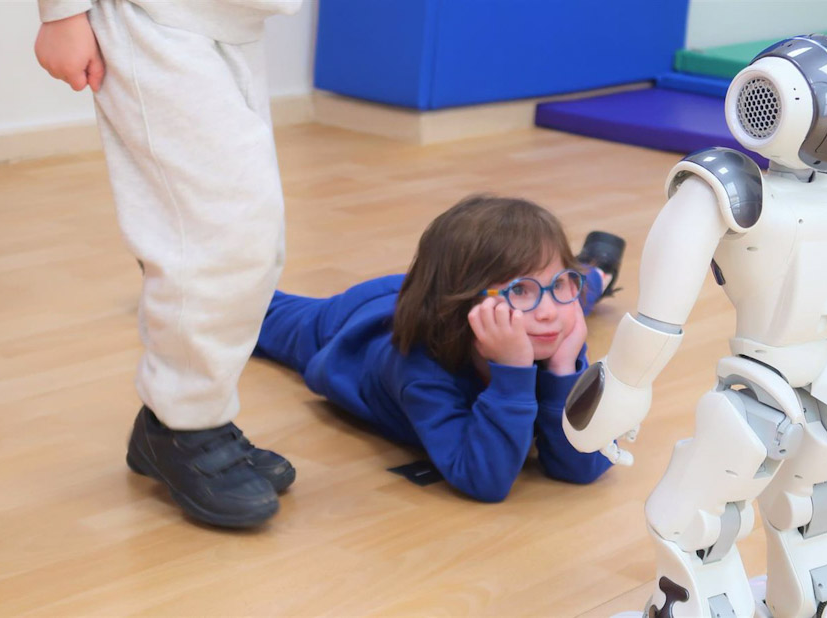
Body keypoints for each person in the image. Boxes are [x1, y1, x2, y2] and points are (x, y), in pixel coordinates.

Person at [34, 0, 302, 528]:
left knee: (254, 235)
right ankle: (184, 425)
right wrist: (60, 12)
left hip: (235, 18)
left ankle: (182, 414)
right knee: (214, 233)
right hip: (153, 17)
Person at [252, 195, 627, 502]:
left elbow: (582, 468)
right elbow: (485, 480)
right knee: (245, 312)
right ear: (462, 304)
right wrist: (513, 373)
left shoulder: (551, 330)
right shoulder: (419, 367)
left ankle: (594, 274)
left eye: (563, 281)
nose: (549, 312)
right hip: (352, 321)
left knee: (568, 304)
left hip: (467, 305)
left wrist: (564, 373)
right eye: (518, 289)